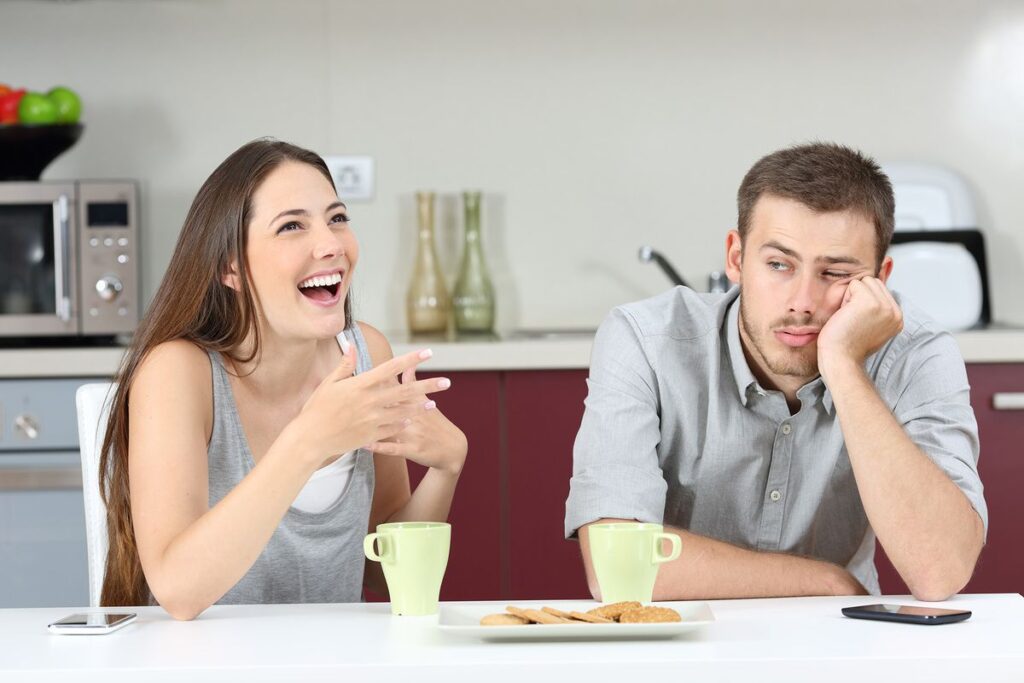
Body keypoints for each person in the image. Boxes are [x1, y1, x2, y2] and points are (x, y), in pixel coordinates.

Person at [565, 142, 986, 601]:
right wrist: (825, 582)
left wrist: (844, 366)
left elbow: (940, 571)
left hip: (840, 636)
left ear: (880, 279)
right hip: (681, 634)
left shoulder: (916, 354)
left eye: (835, 273)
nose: (802, 302)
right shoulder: (645, 340)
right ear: (735, 258)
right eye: (779, 264)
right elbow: (614, 568)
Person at [98, 139, 467, 619]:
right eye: (292, 226)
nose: (331, 244)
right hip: (204, 656)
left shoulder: (367, 354)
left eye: (337, 218)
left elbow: (379, 572)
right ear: (230, 266)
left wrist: (446, 468)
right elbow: (178, 590)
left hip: (334, 655)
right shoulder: (177, 371)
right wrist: (309, 442)